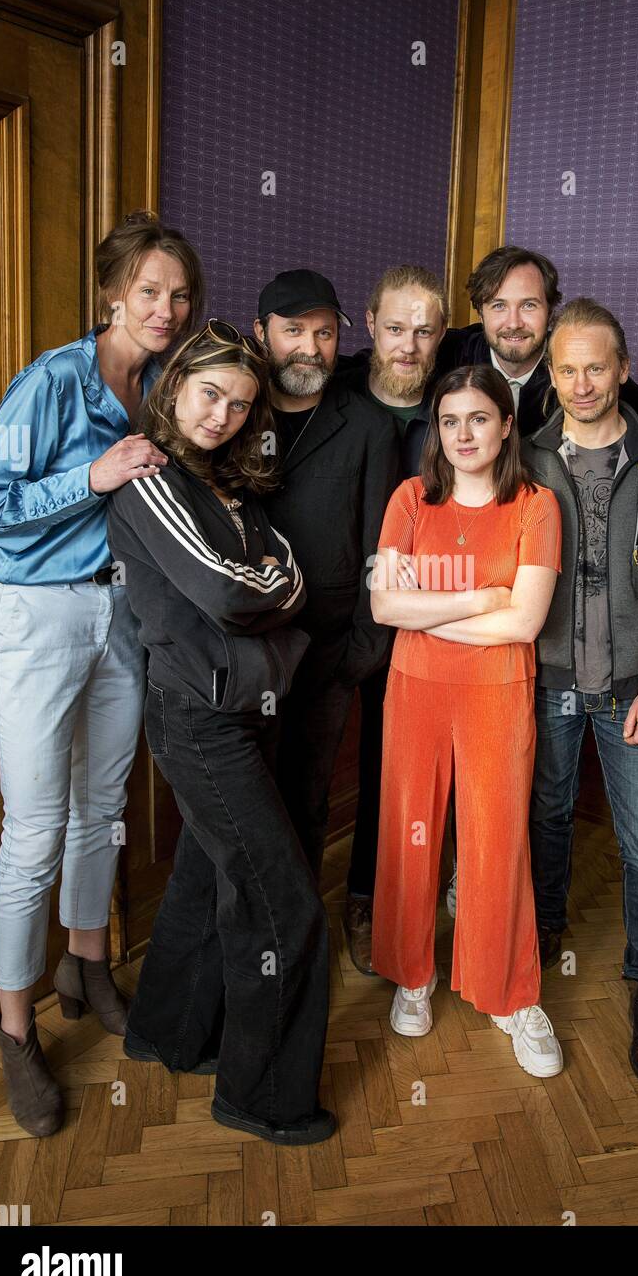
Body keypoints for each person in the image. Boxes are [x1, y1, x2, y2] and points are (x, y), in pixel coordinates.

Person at [0, 210, 203, 1138]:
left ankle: (87, 965)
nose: (166, 307)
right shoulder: (52, 381)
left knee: (102, 808)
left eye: (180, 293)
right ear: (113, 293)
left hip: (120, 615)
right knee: (34, 831)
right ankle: (15, 1029)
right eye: (149, 290)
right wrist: (93, 478)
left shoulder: (163, 386)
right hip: (36, 618)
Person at [107, 320, 334, 1146]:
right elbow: (233, 591)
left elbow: (290, 572)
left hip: (245, 708)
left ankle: (165, 1032)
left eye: (240, 404)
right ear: (175, 388)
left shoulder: (227, 487)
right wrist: (269, 589)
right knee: (284, 903)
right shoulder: (150, 477)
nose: (224, 415)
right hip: (199, 720)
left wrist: (268, 586)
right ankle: (262, 1095)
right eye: (211, 395)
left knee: (208, 881)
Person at [370, 365, 564, 1078]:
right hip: (415, 690)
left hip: (498, 692)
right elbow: (386, 609)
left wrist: (439, 608)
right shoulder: (410, 500)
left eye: (479, 418)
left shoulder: (537, 505)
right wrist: (484, 599)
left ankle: (510, 993)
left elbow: (529, 621)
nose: (463, 435)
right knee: (409, 829)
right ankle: (412, 974)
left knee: (495, 840)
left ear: (507, 424)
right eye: (449, 421)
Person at [523, 298, 638, 1085]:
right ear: (551, 377)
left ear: (622, 368)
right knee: (546, 819)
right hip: (548, 682)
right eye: (567, 369)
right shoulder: (525, 457)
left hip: (632, 689)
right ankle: (543, 933)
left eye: (596, 366)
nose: (582, 382)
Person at [253, 270, 400, 888]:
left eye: (323, 333)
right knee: (250, 807)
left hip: (328, 650)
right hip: (245, 648)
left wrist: (362, 652)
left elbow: (382, 549)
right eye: (293, 331)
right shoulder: (233, 408)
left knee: (308, 800)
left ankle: (298, 949)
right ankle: (251, 940)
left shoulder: (368, 426)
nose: (310, 348)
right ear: (261, 334)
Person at [331, 265, 448, 971]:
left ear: (441, 338)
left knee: (389, 765)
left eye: (424, 330)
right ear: (370, 323)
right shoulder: (333, 391)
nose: (408, 344)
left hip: (416, 615)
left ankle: (368, 897)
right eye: (396, 327)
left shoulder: (454, 404)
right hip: (325, 606)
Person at [435, 245, 638, 438]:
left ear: (550, 311)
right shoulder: (451, 351)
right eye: (499, 305)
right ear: (480, 312)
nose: (513, 323)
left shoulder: (574, 363)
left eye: (528, 305)